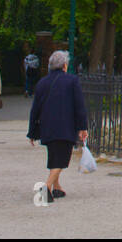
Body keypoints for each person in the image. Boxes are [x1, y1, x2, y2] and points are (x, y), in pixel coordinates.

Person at [27, 50, 89, 204]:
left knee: (54, 156)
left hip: (47, 126)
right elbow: (79, 106)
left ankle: (57, 187)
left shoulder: (43, 82)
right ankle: (46, 188)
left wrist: (33, 131)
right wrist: (82, 127)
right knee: (62, 159)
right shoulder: (72, 81)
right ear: (65, 65)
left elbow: (35, 108)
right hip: (65, 125)